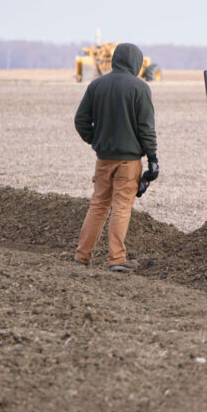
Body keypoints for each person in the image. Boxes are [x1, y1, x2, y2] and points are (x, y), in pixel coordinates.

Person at [73, 42, 158, 272]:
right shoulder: (140, 88)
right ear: (136, 62)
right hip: (129, 161)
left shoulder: (96, 85)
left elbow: (80, 120)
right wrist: (152, 158)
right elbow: (146, 128)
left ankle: (82, 257)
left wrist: (96, 140)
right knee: (122, 207)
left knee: (98, 205)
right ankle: (116, 259)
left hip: (103, 158)